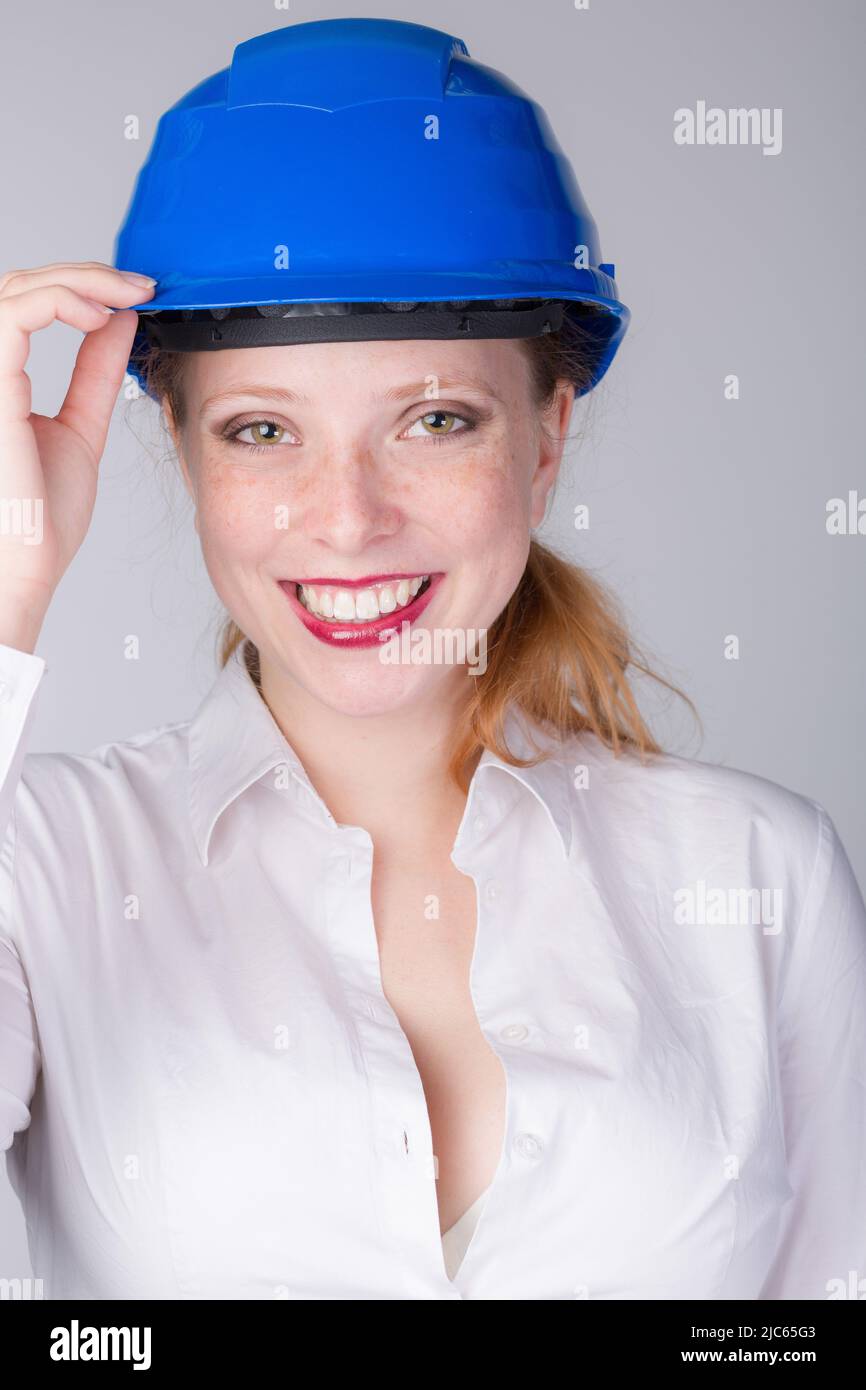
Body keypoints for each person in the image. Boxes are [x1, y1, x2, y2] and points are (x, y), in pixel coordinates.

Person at [1, 17, 864, 1302]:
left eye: (435, 419)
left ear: (546, 437)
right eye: (259, 431)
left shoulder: (756, 877)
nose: (346, 517)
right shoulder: (46, 865)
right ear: (181, 455)